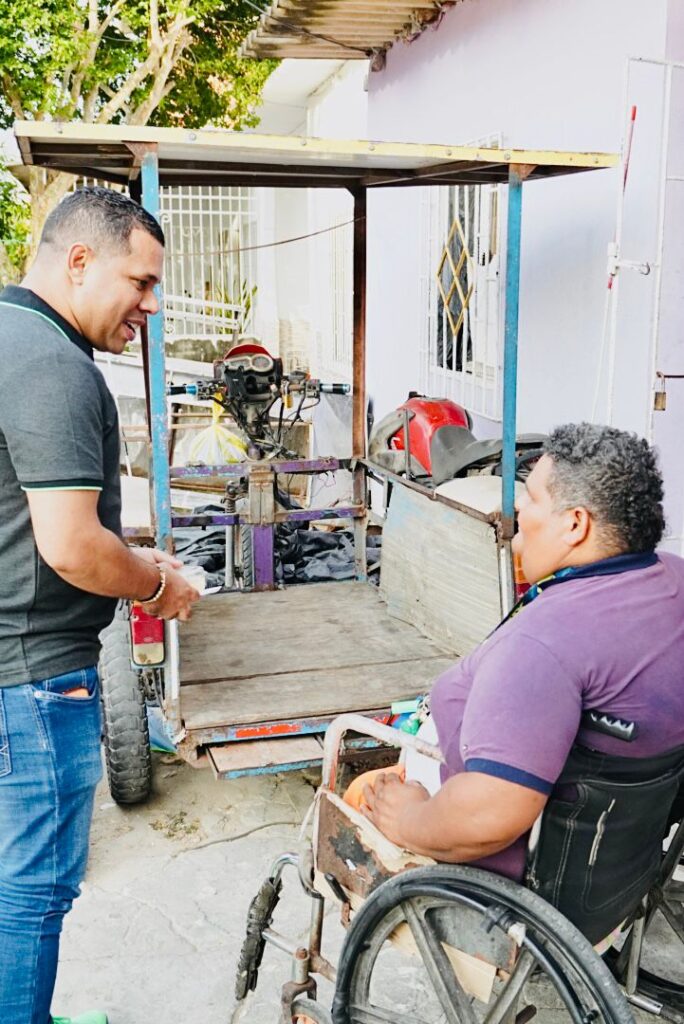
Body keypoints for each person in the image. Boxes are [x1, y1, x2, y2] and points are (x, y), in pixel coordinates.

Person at [0, 186, 200, 1024]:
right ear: (79, 262)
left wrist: (131, 556)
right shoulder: (53, 366)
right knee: (34, 891)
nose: (150, 306)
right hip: (34, 675)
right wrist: (157, 584)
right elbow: (73, 546)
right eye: (140, 282)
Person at [361, 422, 684, 882]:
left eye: (532, 497)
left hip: (519, 875)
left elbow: (488, 816)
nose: (517, 506)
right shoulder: (673, 578)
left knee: (360, 794)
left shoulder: (546, 642)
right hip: (618, 860)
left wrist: (408, 820)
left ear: (575, 524)